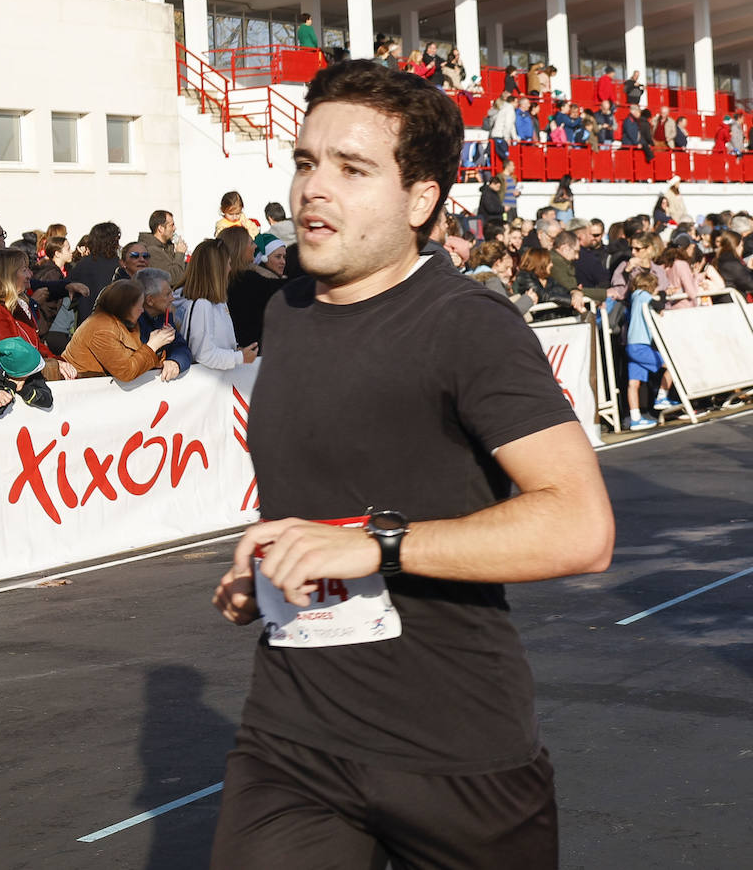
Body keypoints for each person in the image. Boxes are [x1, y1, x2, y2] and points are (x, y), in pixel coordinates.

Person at [208, 59, 612, 868]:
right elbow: (341, 481)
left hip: (455, 751)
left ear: (420, 198)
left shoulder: (469, 324)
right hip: (294, 738)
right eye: (306, 161)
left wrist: (377, 545)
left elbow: (581, 524)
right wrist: (277, 554)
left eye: (352, 169)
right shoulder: (284, 311)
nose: (313, 188)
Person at [0, 248, 78, 380]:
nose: (30, 274)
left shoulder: (16, 306)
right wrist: (54, 363)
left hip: (29, 376)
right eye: (24, 269)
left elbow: (37, 345)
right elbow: (9, 353)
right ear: (8, 275)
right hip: (8, 385)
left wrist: (58, 361)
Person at [61, 279, 174, 382]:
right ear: (126, 307)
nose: (142, 311)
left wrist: (159, 346)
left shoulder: (126, 323)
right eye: (139, 306)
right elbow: (125, 372)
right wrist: (152, 345)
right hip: (84, 391)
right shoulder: (101, 329)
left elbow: (137, 358)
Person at [178, 238, 258, 370]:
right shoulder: (202, 305)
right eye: (228, 264)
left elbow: (218, 344)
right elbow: (203, 354)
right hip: (209, 384)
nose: (230, 269)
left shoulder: (217, 302)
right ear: (217, 269)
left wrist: (237, 351)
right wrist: (239, 357)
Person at [625, 270, 677, 430]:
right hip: (641, 345)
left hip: (631, 345)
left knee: (633, 383)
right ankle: (662, 396)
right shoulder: (644, 297)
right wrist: (662, 293)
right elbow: (659, 305)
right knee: (673, 365)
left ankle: (635, 418)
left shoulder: (634, 296)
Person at [135, 267, 192, 380]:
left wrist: (175, 361)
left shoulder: (164, 315)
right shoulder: (132, 321)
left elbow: (180, 346)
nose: (172, 298)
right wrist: (154, 344)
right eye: (167, 294)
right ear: (150, 300)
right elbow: (130, 365)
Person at [138, 209, 187, 282]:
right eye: (171, 225)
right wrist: (180, 254)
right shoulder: (151, 251)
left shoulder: (167, 247)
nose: (174, 228)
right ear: (160, 228)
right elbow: (173, 278)